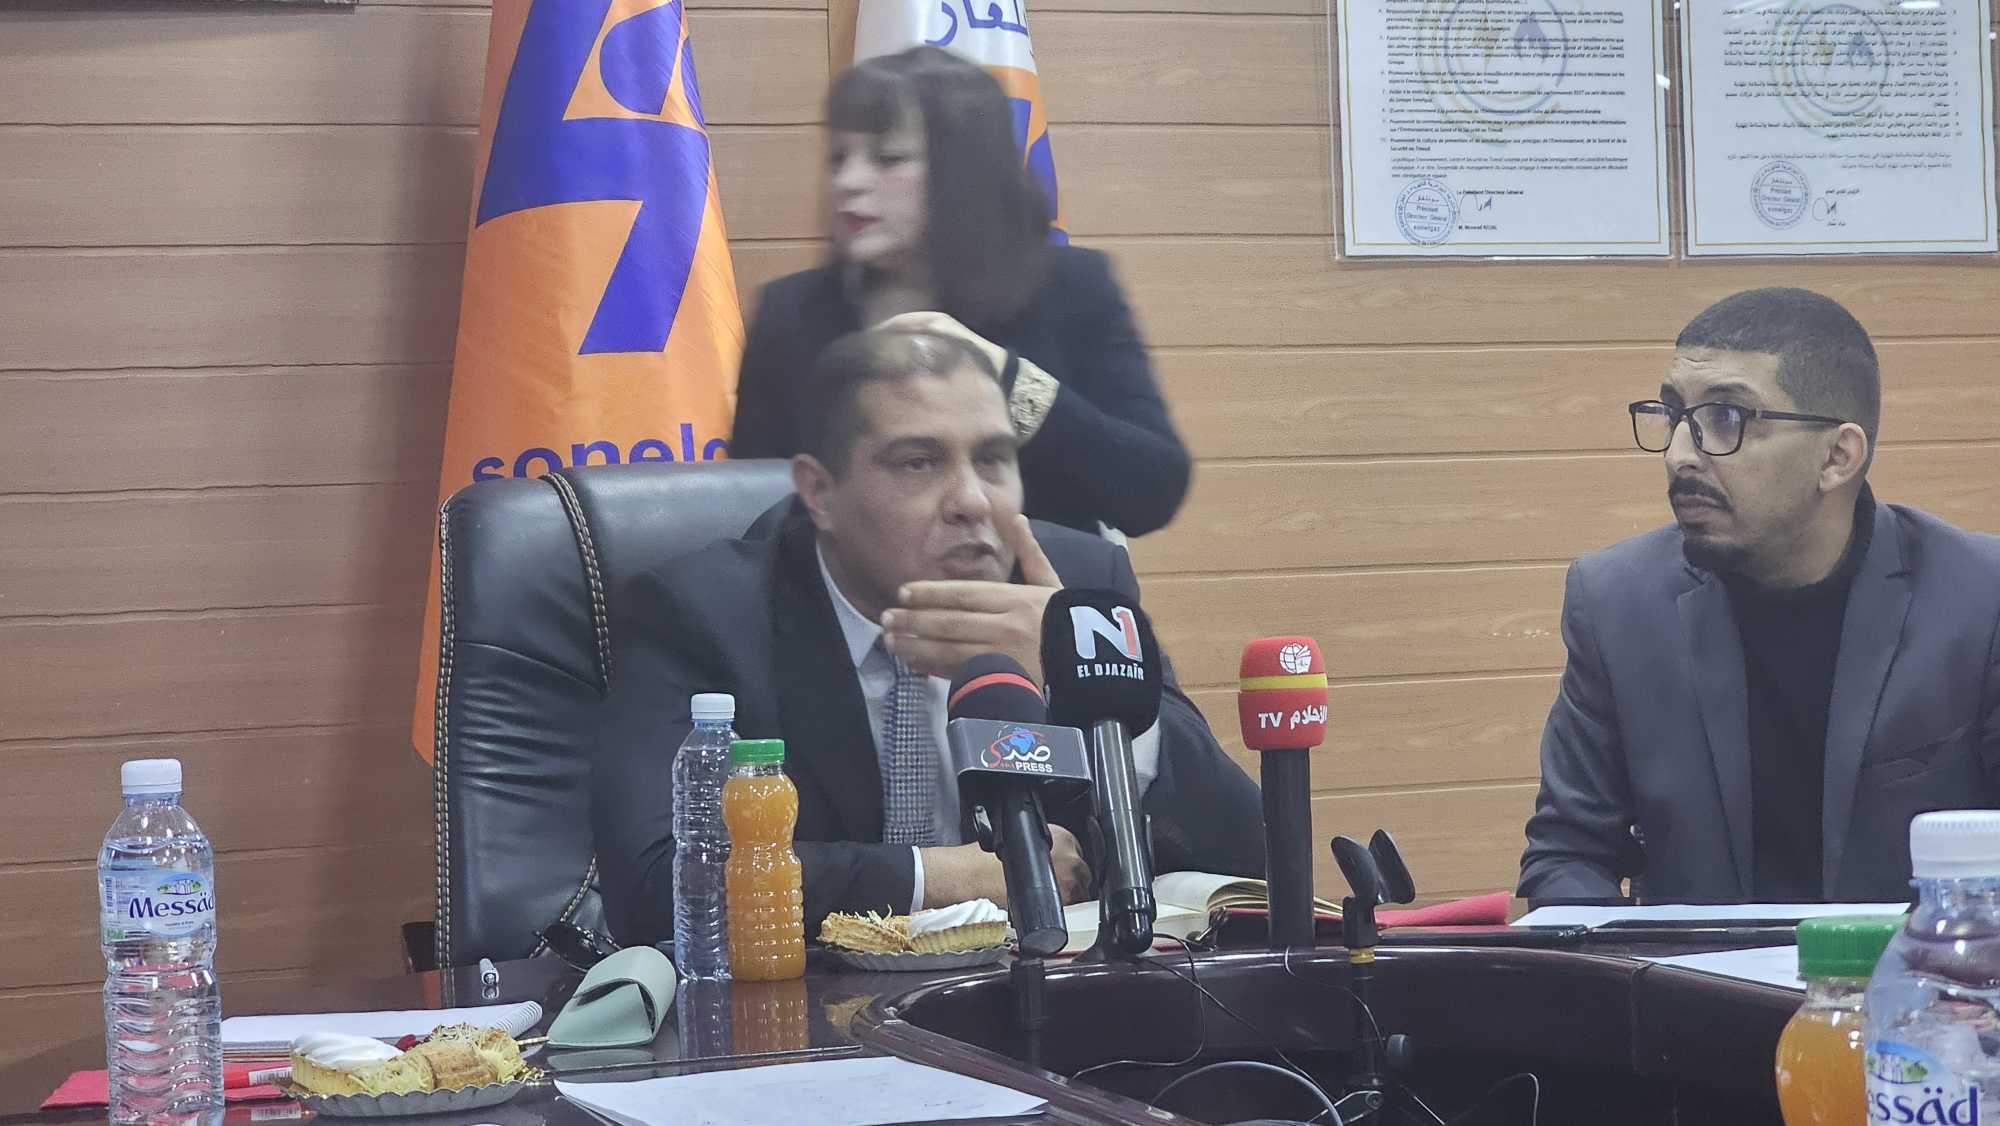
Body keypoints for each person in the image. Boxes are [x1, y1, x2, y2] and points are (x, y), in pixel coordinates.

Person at [594, 327, 1263, 945]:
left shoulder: (1073, 589)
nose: (972, 501)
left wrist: (1083, 681)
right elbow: (660, 885)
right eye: (918, 462)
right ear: (820, 492)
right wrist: (945, 877)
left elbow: (1251, 860)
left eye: (993, 460)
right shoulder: (703, 613)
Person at [1518, 288, 2000, 903]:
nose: (1679, 455)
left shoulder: (1979, 600)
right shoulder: (1616, 600)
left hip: (1917, 964)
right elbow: (1567, 854)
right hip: (1694, 966)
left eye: (1726, 418)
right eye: (1674, 416)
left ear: (1837, 456)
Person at [728, 45, 1191, 538]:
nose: (848, 180)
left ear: (965, 172)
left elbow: (1152, 492)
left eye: (888, 158)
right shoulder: (789, 312)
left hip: (1032, 581)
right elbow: (748, 515)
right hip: (848, 587)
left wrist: (999, 372)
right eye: (839, 157)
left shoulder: (1070, 288)